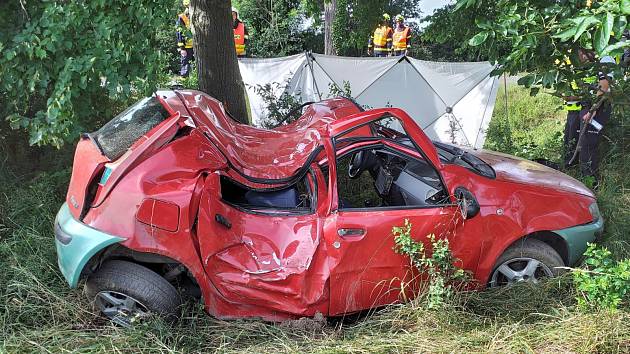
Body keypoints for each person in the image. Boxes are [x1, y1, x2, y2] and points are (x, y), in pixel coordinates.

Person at [575, 49, 615, 186]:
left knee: (589, 144)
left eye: (582, 55)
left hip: (600, 108)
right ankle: (586, 178)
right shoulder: (594, 63)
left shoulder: (605, 58)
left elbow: (604, 86)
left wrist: (593, 110)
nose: (581, 58)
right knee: (585, 143)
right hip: (593, 107)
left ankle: (591, 182)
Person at [176, 0, 194, 77]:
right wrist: (182, 48)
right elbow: (179, 33)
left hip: (197, 46)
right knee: (185, 66)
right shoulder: (182, 17)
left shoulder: (197, 17)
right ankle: (184, 83)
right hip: (186, 47)